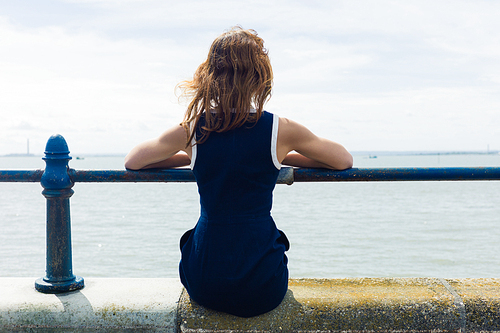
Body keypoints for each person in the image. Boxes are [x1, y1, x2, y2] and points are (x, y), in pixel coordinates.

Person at [125, 27, 353, 317]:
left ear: (210, 75)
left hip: (205, 280)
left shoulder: (195, 129)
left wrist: (190, 157)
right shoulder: (279, 129)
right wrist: (280, 156)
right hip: (261, 284)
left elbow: (133, 161)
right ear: (260, 78)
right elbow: (342, 160)